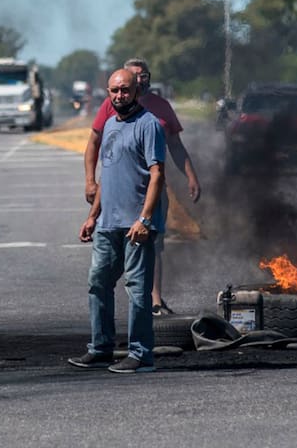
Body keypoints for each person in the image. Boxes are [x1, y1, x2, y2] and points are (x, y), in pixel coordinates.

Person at [84, 57, 200, 316]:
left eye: (142, 75)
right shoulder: (110, 111)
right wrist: (91, 184)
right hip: (114, 202)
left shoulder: (157, 113)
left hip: (149, 194)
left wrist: (191, 176)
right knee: (102, 275)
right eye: (117, 88)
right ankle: (104, 340)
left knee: (152, 246)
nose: (137, 80)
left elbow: (174, 149)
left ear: (144, 81)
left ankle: (155, 302)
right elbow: (98, 148)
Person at [70, 68, 165, 374]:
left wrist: (145, 219)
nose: (119, 96)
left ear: (136, 91)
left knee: (137, 289)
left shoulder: (149, 125)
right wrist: (92, 216)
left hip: (136, 225)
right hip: (107, 224)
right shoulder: (110, 125)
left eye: (124, 90)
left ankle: (141, 354)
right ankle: (100, 349)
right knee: (98, 283)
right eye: (114, 91)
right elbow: (106, 178)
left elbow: (157, 175)